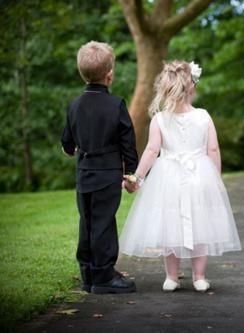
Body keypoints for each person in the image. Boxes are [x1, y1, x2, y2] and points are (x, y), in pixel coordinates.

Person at [119, 60, 241, 292]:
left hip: (168, 177)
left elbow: (152, 150)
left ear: (164, 90)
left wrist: (138, 177)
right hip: (199, 174)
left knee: (170, 225)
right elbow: (213, 150)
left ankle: (171, 278)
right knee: (201, 225)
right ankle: (199, 277)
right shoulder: (204, 116)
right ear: (192, 88)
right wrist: (215, 179)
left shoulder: (160, 119)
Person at [61, 41, 138, 294]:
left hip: (84, 174)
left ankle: (88, 275)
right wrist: (131, 175)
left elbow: (67, 145)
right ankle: (104, 276)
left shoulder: (74, 106)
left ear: (82, 73)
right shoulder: (116, 105)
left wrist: (76, 147)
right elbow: (128, 144)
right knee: (104, 222)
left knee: (88, 221)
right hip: (108, 175)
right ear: (110, 74)